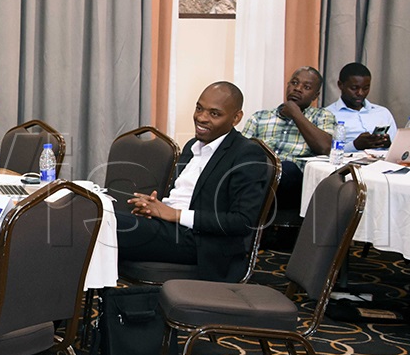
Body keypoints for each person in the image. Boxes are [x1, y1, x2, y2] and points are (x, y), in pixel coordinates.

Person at [117, 82, 270, 283]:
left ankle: (72, 306)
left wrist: (176, 215)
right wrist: (156, 207)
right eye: (199, 108)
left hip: (200, 243)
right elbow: (183, 196)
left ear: (236, 118)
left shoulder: (246, 153)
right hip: (169, 229)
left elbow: (242, 222)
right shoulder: (192, 146)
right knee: (96, 214)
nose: (201, 117)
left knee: (101, 225)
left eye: (214, 114)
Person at [240, 66, 337, 210]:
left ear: (315, 96)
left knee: (287, 168)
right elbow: (240, 152)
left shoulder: (322, 116)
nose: (298, 89)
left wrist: (296, 115)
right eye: (294, 83)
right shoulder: (260, 117)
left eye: (306, 87)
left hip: (293, 184)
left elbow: (325, 148)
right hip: (256, 175)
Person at [325, 62, 398, 151]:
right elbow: (325, 151)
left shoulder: (383, 112)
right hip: (347, 163)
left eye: (365, 88)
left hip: (382, 162)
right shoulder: (327, 114)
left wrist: (389, 145)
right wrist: (354, 145)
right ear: (340, 85)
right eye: (354, 88)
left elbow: (398, 150)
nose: (360, 93)